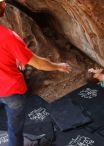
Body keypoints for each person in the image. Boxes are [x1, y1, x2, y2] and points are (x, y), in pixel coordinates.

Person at [0, 1, 72, 146]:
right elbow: (38, 63)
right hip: (11, 91)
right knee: (14, 130)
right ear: (2, 7)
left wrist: (14, 56)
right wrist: (58, 66)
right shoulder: (8, 37)